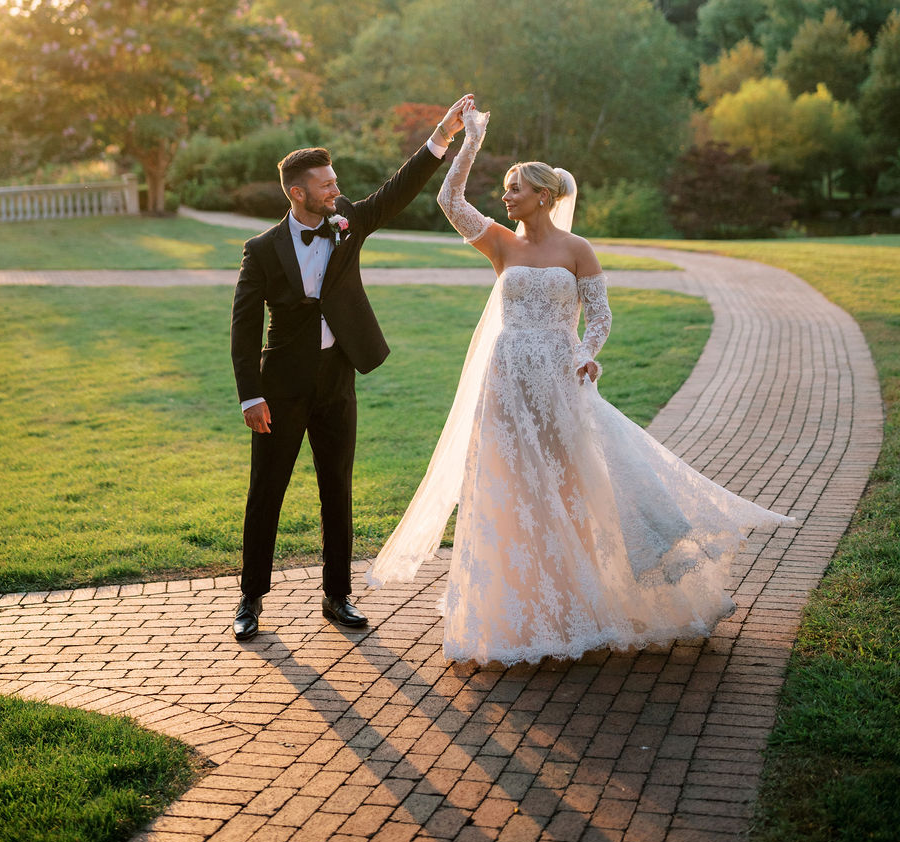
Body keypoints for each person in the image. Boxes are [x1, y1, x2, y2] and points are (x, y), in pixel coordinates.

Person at [367, 103, 795, 666]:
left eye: (515, 188)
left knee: (570, 484)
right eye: (506, 188)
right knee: (509, 484)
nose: (507, 196)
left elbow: (601, 316)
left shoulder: (577, 249)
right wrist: (467, 139)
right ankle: (516, 607)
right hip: (508, 378)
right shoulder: (501, 242)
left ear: (545, 196)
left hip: (559, 378)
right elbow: (450, 200)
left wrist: (588, 354)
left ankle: (582, 597)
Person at [230, 95, 474, 642]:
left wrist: (440, 136)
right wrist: (251, 396)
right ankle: (251, 599)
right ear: (297, 193)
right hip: (281, 387)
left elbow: (397, 190)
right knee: (266, 491)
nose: (334, 191)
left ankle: (337, 597)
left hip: (338, 379)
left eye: (334, 182)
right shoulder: (262, 250)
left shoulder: (348, 223)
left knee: (336, 487)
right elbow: (243, 330)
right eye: (324, 185)